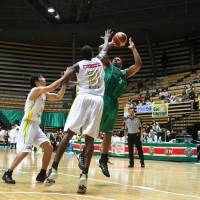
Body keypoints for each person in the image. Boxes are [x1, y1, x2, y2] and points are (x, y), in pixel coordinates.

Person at [46, 29, 112, 194]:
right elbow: (104, 50)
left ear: (82, 56)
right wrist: (106, 39)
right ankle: (84, 176)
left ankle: (54, 169)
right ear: (92, 54)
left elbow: (64, 80)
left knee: (68, 134)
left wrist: (54, 84)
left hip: (83, 98)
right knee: (90, 139)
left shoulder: (78, 65)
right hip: (98, 101)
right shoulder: (98, 61)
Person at [2, 72, 68, 184]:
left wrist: (65, 85)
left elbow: (58, 96)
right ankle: (8, 173)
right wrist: (64, 77)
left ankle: (42, 173)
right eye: (42, 77)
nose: (45, 79)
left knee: (49, 147)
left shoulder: (43, 93)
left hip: (36, 125)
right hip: (28, 124)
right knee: (25, 151)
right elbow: (52, 87)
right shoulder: (35, 90)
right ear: (37, 81)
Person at [97, 37, 142, 177]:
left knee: (108, 132)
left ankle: (103, 159)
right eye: (114, 58)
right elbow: (100, 49)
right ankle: (83, 154)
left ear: (122, 64)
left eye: (119, 59)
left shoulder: (124, 73)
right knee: (92, 130)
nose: (116, 60)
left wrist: (133, 48)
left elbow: (138, 64)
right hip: (102, 98)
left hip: (114, 103)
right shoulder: (108, 66)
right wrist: (109, 44)